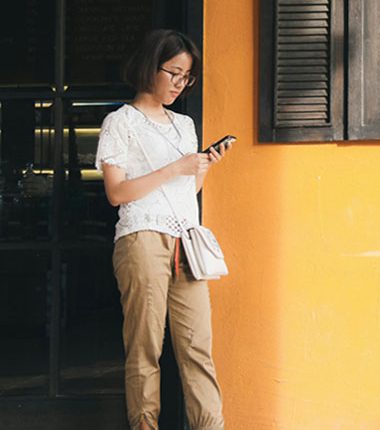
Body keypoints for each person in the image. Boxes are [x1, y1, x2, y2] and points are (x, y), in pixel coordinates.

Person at [95, 29, 229, 430]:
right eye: (173, 72)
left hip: (186, 242)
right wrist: (175, 167)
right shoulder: (120, 122)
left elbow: (184, 192)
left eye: (186, 77)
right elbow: (117, 193)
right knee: (145, 348)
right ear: (150, 66)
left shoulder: (184, 125)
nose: (179, 83)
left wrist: (202, 168)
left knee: (197, 348)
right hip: (142, 240)